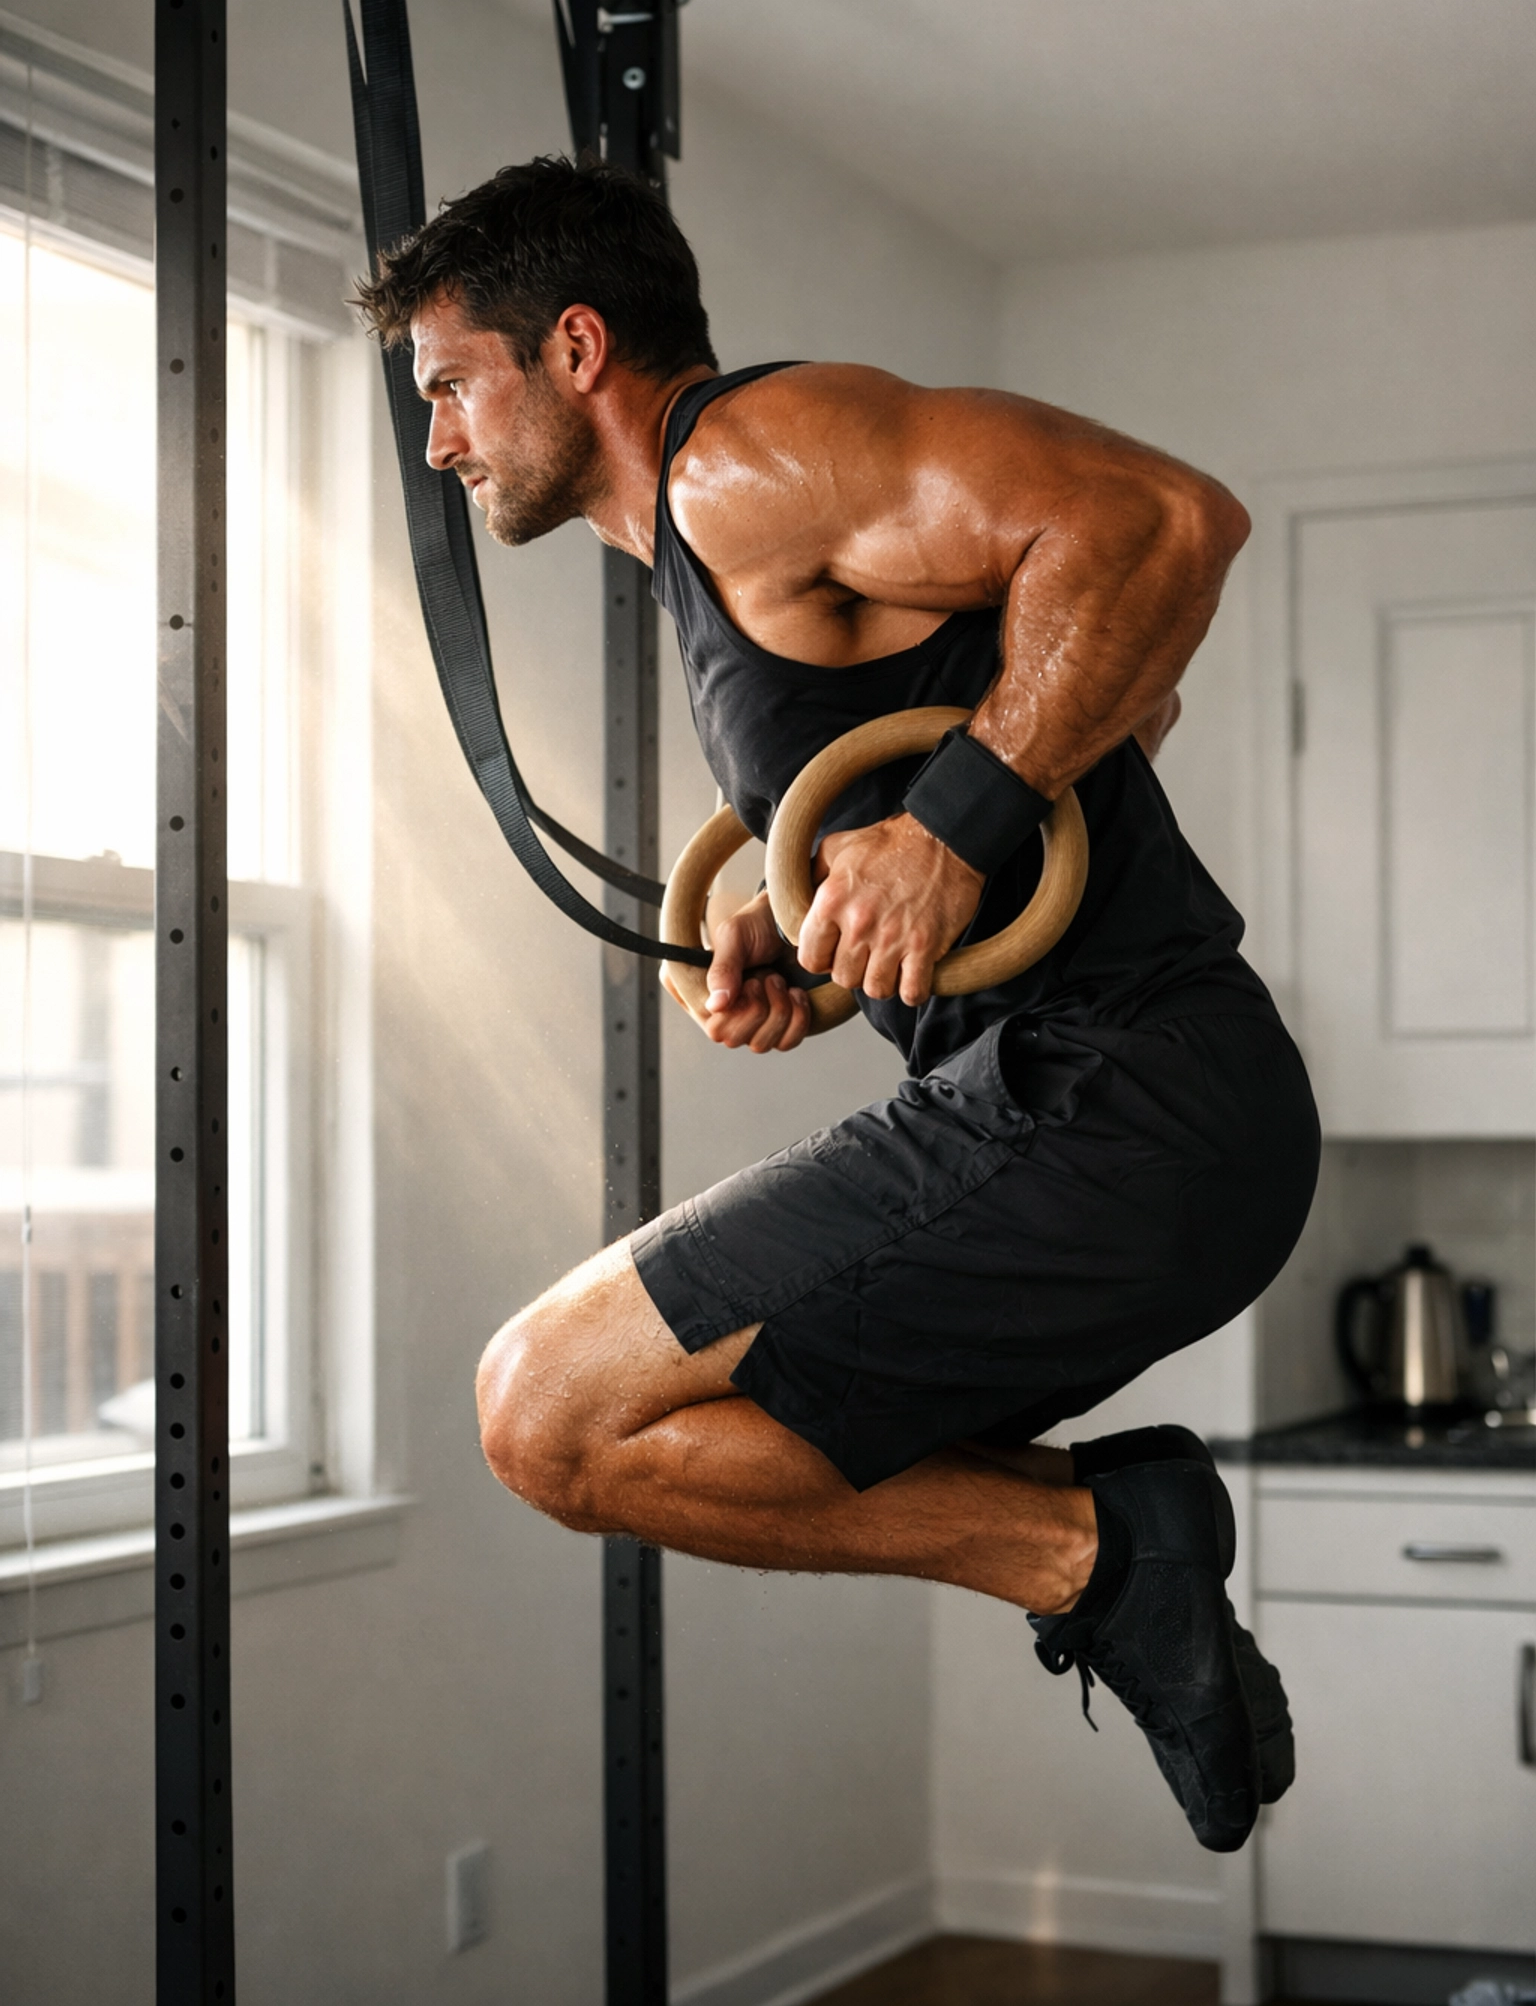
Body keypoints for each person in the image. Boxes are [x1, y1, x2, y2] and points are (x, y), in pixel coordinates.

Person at [357, 157, 1320, 1854]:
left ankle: (1098, 1554)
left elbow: (1167, 527)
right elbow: (1118, 696)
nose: (436, 440)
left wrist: (952, 832)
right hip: (1094, 1095)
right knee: (606, 1431)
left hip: (1122, 1096)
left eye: (449, 384)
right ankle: (1117, 1544)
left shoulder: (746, 461)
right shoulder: (715, 553)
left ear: (574, 347)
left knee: (544, 1412)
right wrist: (839, 939)